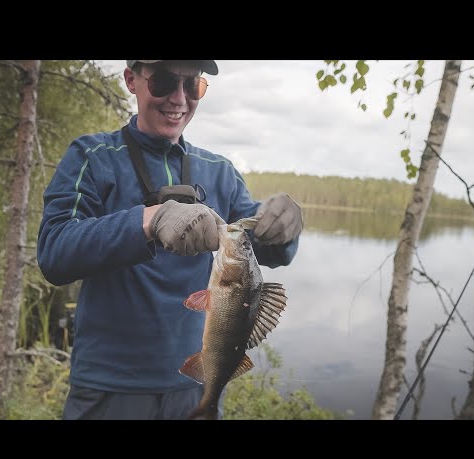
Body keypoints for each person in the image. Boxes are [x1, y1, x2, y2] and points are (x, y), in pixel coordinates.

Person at [37, 60, 303, 420]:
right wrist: (147, 220)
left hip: (196, 387)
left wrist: (285, 226)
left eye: (192, 85)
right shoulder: (93, 157)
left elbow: (264, 247)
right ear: (132, 79)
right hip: (109, 389)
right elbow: (54, 251)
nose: (178, 98)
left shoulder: (220, 173)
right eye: (163, 81)